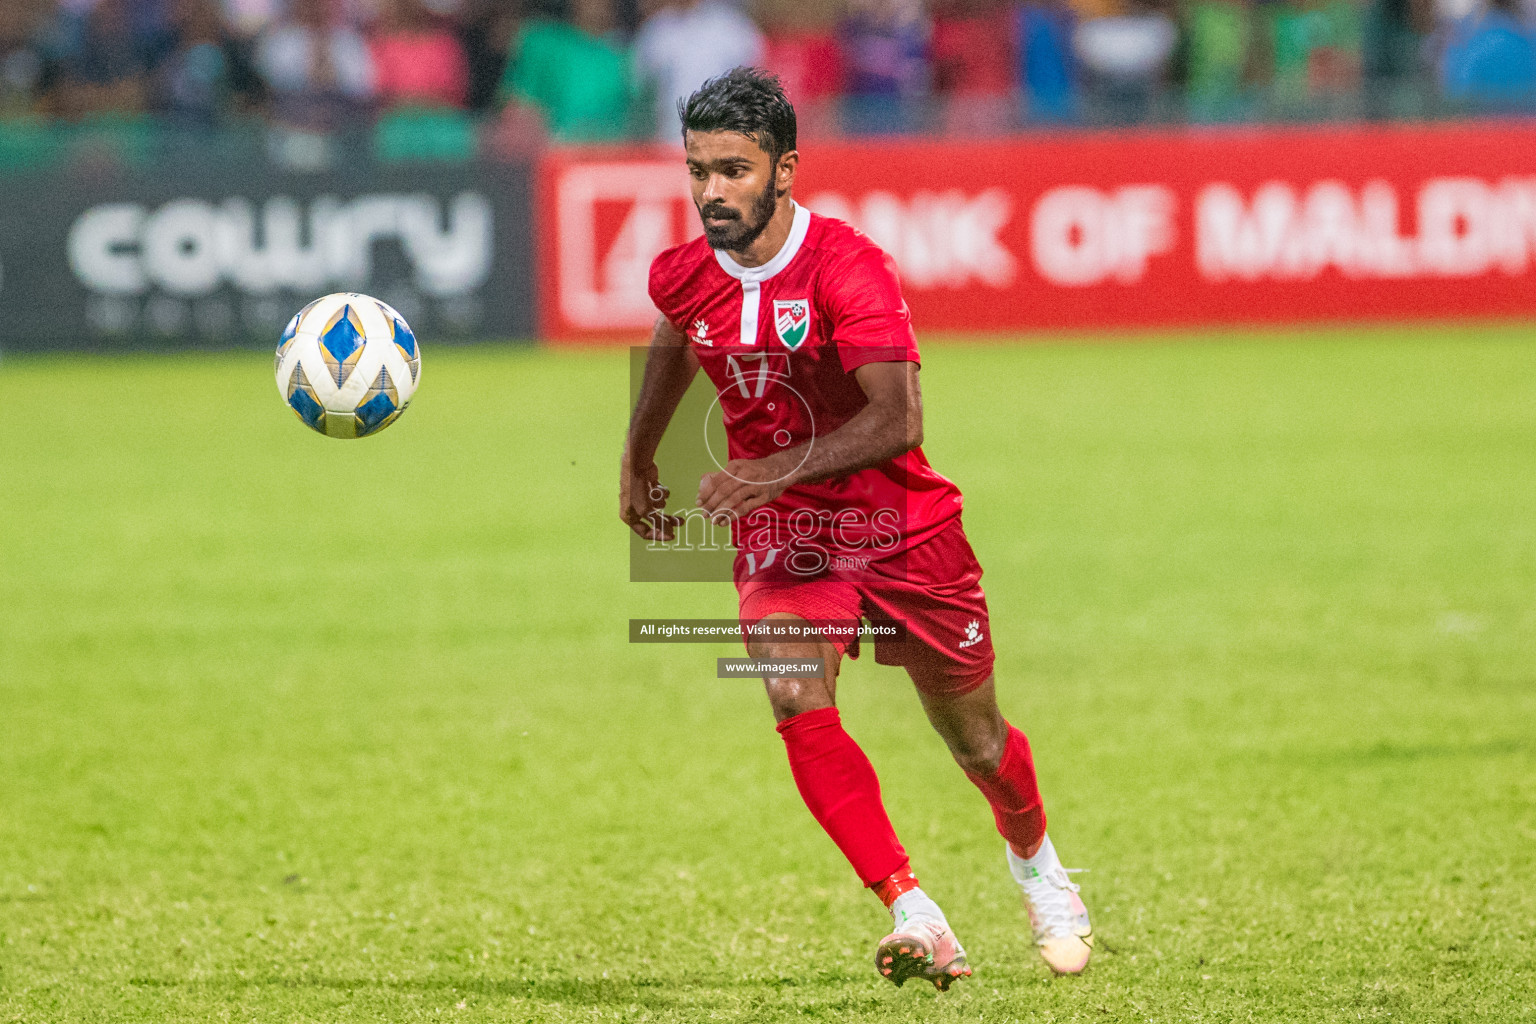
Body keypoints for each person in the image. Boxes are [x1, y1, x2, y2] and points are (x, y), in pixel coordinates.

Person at [619, 66, 1093, 990]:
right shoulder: (680, 274)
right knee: (796, 698)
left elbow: (897, 420)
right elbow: (677, 335)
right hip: (787, 534)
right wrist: (639, 455)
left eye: (734, 171)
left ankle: (1038, 864)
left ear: (785, 169)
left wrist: (763, 468)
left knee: (977, 743)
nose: (712, 192)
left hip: (903, 526)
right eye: (697, 171)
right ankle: (914, 910)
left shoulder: (847, 265)